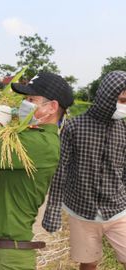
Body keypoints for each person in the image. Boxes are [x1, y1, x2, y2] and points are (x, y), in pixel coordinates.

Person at [0, 72, 74, 270]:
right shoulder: (27, 136)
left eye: (31, 99)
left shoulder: (40, 143)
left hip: (7, 260)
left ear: (52, 107)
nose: (24, 104)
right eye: (24, 99)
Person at [42, 70, 126, 270]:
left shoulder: (123, 130)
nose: (124, 106)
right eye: (122, 100)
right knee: (88, 262)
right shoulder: (74, 127)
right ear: (107, 96)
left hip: (118, 211)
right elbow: (60, 171)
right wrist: (52, 211)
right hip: (81, 212)